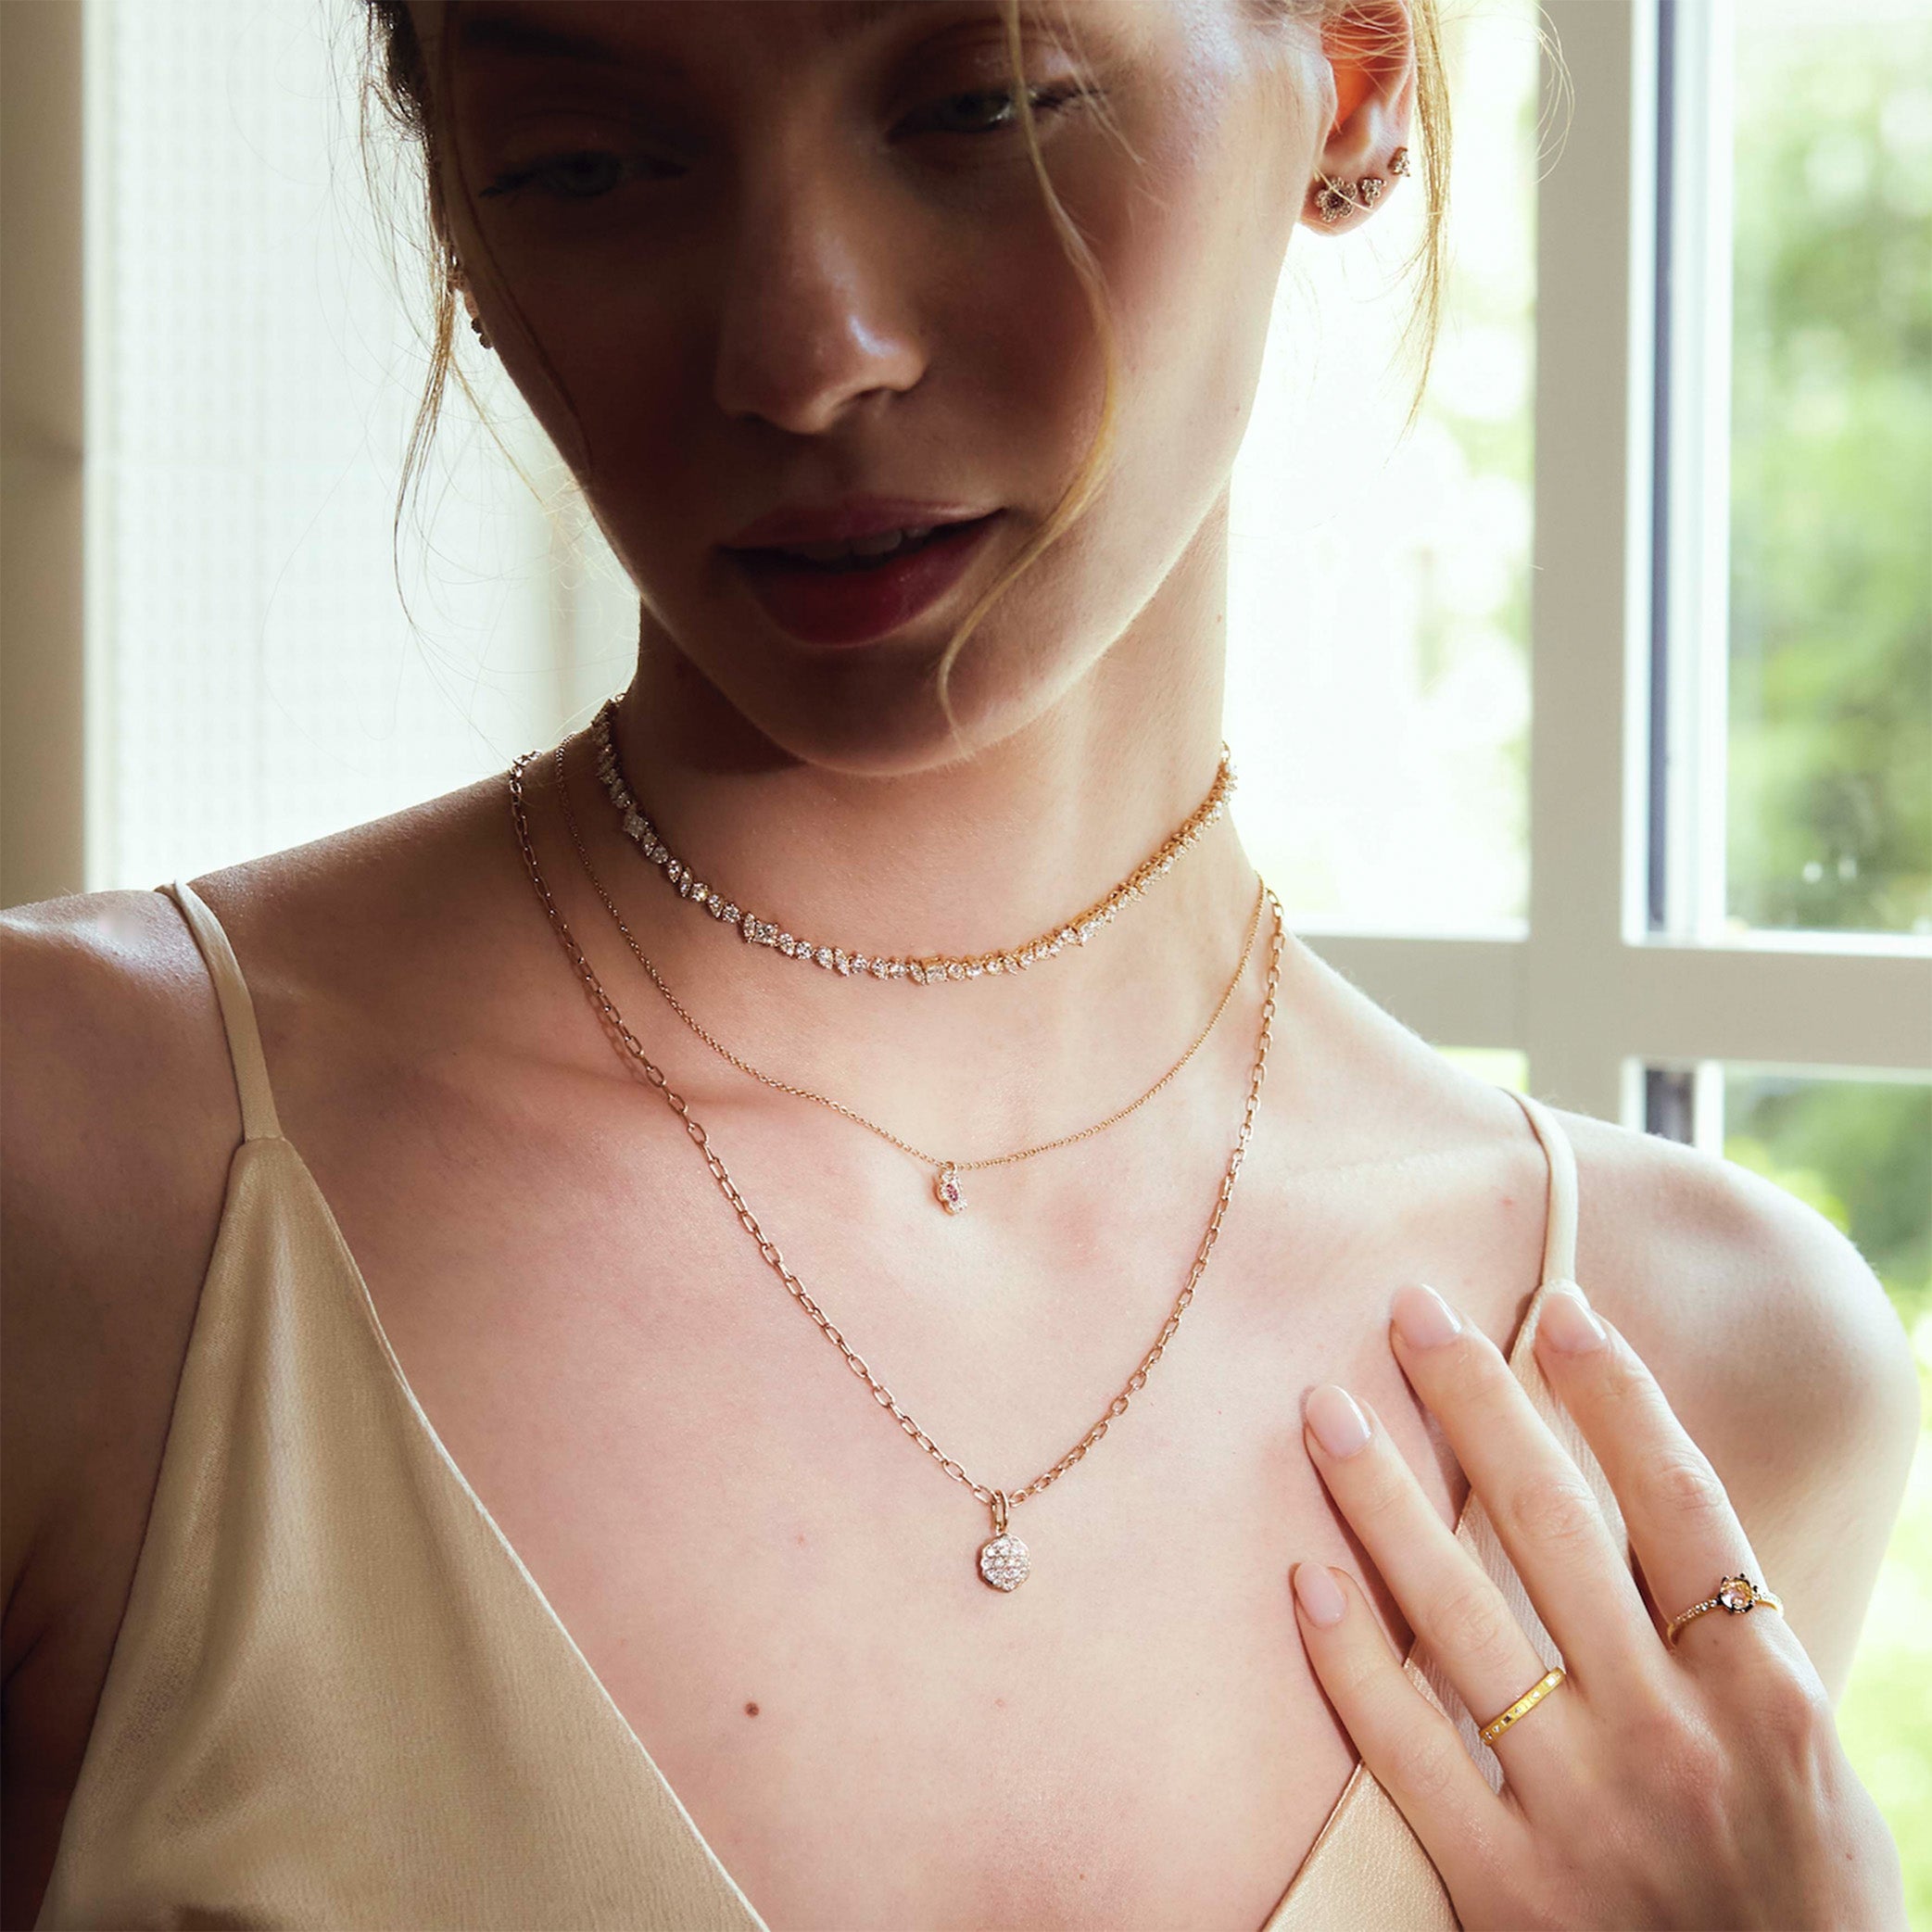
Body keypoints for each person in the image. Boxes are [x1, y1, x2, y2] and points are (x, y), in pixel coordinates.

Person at [1, 2, 1918, 1926]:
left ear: (1351, 73)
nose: (802, 350)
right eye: (583, 164)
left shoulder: (1711, 1380)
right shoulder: (80, 1175)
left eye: (984, 106)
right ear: (458, 214)